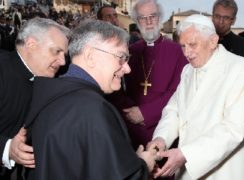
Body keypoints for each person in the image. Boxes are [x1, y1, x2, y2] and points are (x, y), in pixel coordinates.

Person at [24, 20, 157, 180]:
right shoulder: (93, 108)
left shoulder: (49, 94)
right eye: (121, 57)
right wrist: (143, 164)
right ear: (91, 56)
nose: (127, 69)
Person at [147, 14, 244, 180]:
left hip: (226, 170)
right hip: (189, 169)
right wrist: (161, 138)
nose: (186, 53)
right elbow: (174, 110)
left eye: (192, 45)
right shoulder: (188, 70)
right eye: (183, 46)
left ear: (213, 41)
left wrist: (186, 154)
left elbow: (232, 129)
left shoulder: (242, 69)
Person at [108, 0, 187, 149]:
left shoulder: (178, 51)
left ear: (160, 18)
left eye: (153, 16)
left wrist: (146, 113)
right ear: (137, 21)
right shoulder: (129, 51)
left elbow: (178, 91)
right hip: (130, 126)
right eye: (143, 18)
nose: (149, 21)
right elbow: (114, 86)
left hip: (163, 127)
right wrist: (129, 112)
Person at [0, 17, 69, 180]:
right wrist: (6, 149)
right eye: (56, 51)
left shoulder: (46, 80)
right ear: (31, 44)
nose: (62, 61)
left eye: (64, 54)